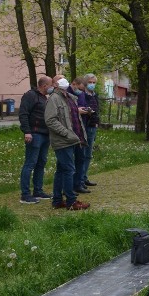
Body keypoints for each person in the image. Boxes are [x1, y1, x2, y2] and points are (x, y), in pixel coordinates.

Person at [44, 75, 89, 211]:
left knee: (62, 170)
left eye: (64, 78)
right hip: (63, 140)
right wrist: (67, 133)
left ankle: (57, 200)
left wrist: (78, 136)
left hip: (72, 140)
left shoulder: (68, 97)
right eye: (59, 79)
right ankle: (71, 201)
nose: (63, 80)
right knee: (69, 169)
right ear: (55, 84)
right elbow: (50, 120)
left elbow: (74, 118)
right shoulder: (54, 98)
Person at [18, 76, 53, 204]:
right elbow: (23, 114)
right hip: (34, 134)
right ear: (44, 86)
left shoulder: (44, 98)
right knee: (30, 163)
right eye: (51, 85)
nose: (52, 87)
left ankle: (38, 191)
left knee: (41, 163)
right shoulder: (30, 95)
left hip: (45, 135)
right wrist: (27, 131)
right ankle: (25, 194)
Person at [70, 77, 92, 195]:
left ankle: (79, 183)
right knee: (72, 160)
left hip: (81, 127)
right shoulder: (67, 93)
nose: (81, 91)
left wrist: (86, 110)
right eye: (80, 88)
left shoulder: (82, 94)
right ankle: (70, 186)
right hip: (72, 130)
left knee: (81, 157)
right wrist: (76, 110)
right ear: (74, 84)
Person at [80, 73, 99, 188]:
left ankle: (84, 176)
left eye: (94, 82)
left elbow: (97, 109)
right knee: (82, 153)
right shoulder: (82, 95)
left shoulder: (95, 95)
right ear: (86, 83)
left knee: (88, 154)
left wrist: (97, 122)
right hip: (84, 126)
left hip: (93, 126)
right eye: (90, 82)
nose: (92, 84)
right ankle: (80, 179)